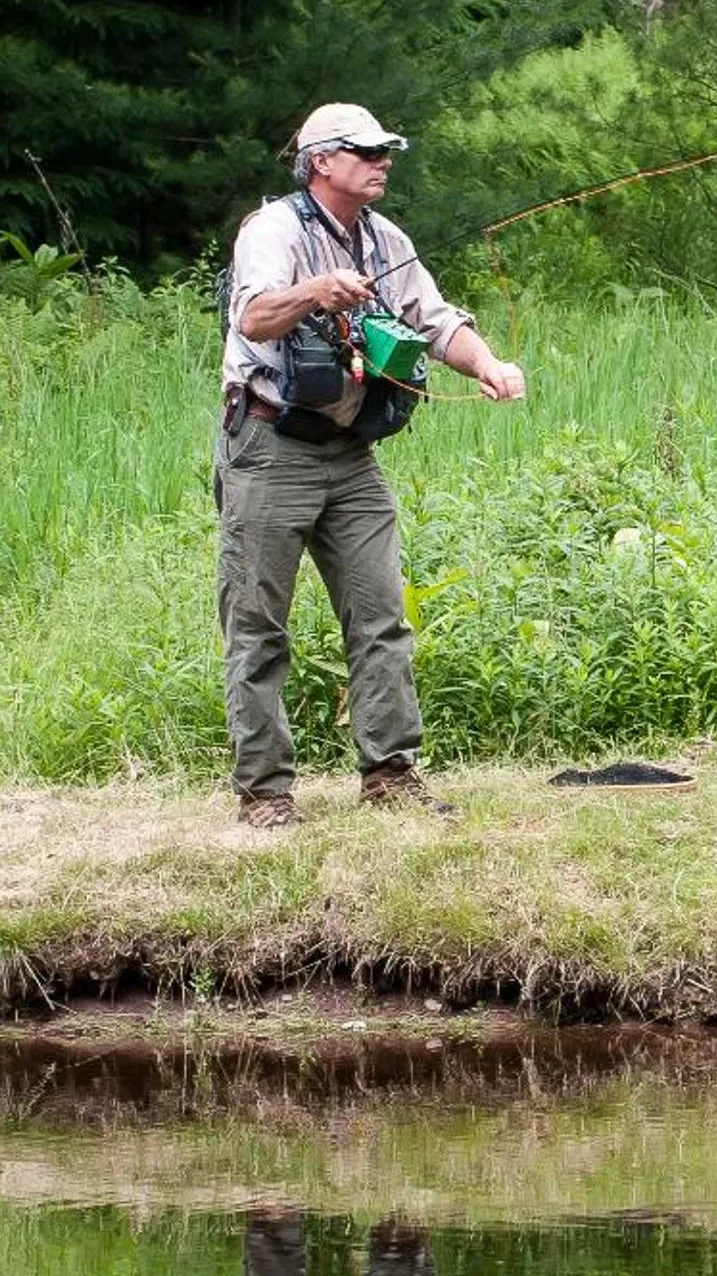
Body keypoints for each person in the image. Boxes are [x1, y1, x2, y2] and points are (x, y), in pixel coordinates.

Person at [217, 103, 526, 828]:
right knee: (259, 625)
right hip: (268, 445)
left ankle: (389, 773)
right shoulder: (274, 230)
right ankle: (263, 792)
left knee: (381, 614)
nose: (382, 159)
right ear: (321, 159)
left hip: (351, 454)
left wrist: (488, 363)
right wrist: (315, 291)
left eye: (387, 149)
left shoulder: (386, 237)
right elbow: (253, 317)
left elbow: (437, 319)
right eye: (364, 149)